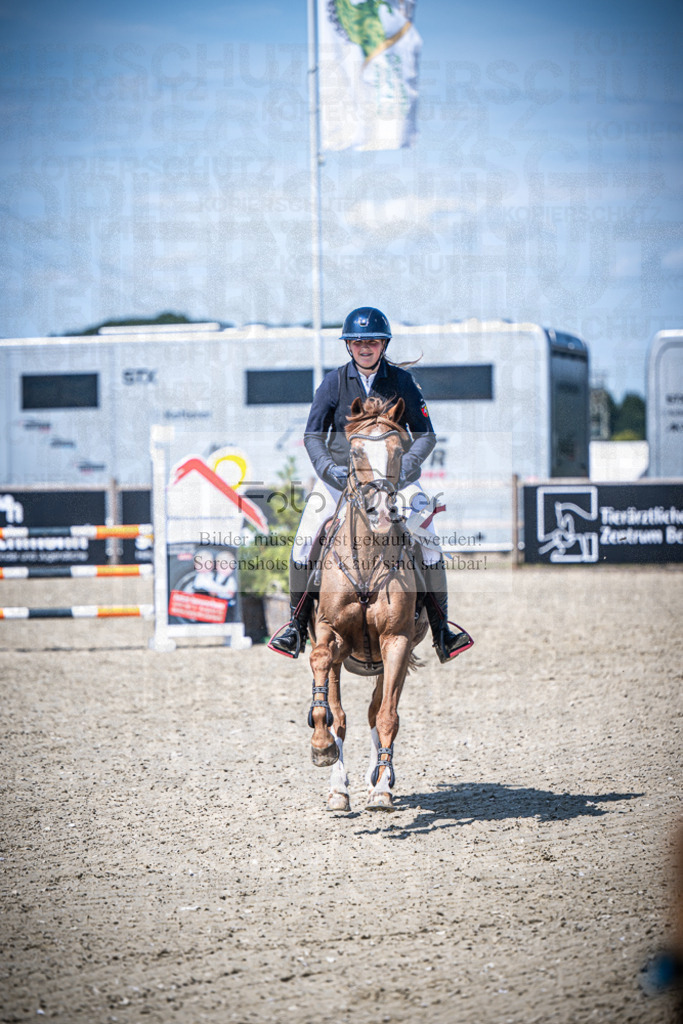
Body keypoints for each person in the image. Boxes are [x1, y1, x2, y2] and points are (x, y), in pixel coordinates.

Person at [269, 305, 473, 664]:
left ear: (383, 345)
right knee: (303, 544)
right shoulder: (333, 383)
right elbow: (313, 435)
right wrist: (328, 469)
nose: (365, 348)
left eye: (373, 342)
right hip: (341, 481)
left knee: (429, 543)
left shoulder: (402, 382)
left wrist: (404, 468)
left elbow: (426, 435)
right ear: (349, 346)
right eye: (358, 342)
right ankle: (295, 626)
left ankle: (442, 630)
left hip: (396, 481)